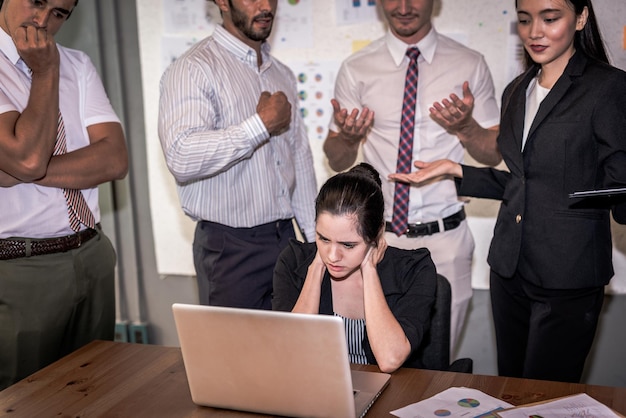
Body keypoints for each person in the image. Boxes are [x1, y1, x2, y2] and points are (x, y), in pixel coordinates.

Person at [390, 0, 626, 383]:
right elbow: (525, 183)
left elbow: (618, 189)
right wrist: (456, 170)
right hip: (508, 271)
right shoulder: (517, 91)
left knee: (545, 399)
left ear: (580, 18)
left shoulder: (609, 88)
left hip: (569, 276)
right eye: (525, 19)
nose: (535, 31)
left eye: (550, 19)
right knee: (511, 390)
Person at [322, 0, 501, 354]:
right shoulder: (357, 68)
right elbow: (336, 158)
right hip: (377, 245)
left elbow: (492, 153)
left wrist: (466, 128)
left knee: (437, 365)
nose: (403, 7)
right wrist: (349, 137)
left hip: (446, 241)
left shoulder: (469, 63)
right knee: (374, 357)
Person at [0, 0, 128, 390]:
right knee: (24, 400)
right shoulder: (49, 65)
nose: (42, 21)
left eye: (59, 13)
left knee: (95, 393)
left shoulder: (78, 64)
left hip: (92, 254)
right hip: (22, 268)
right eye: (36, 2)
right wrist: (44, 71)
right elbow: (27, 155)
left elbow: (115, 159)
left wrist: (23, 171)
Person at [158, 0, 316, 310]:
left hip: (286, 240)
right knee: (232, 357)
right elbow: (181, 156)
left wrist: (314, 242)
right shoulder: (193, 68)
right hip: (229, 249)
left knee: (291, 351)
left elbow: (299, 157)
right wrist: (260, 125)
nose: (265, 5)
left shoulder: (281, 73)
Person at [272, 163, 437, 373]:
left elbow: (389, 359)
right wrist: (316, 267)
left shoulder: (414, 269)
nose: (333, 256)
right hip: (318, 389)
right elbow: (290, 352)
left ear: (377, 234)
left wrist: (369, 270)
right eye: (323, 238)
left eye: (348, 245)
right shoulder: (293, 261)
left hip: (393, 393)